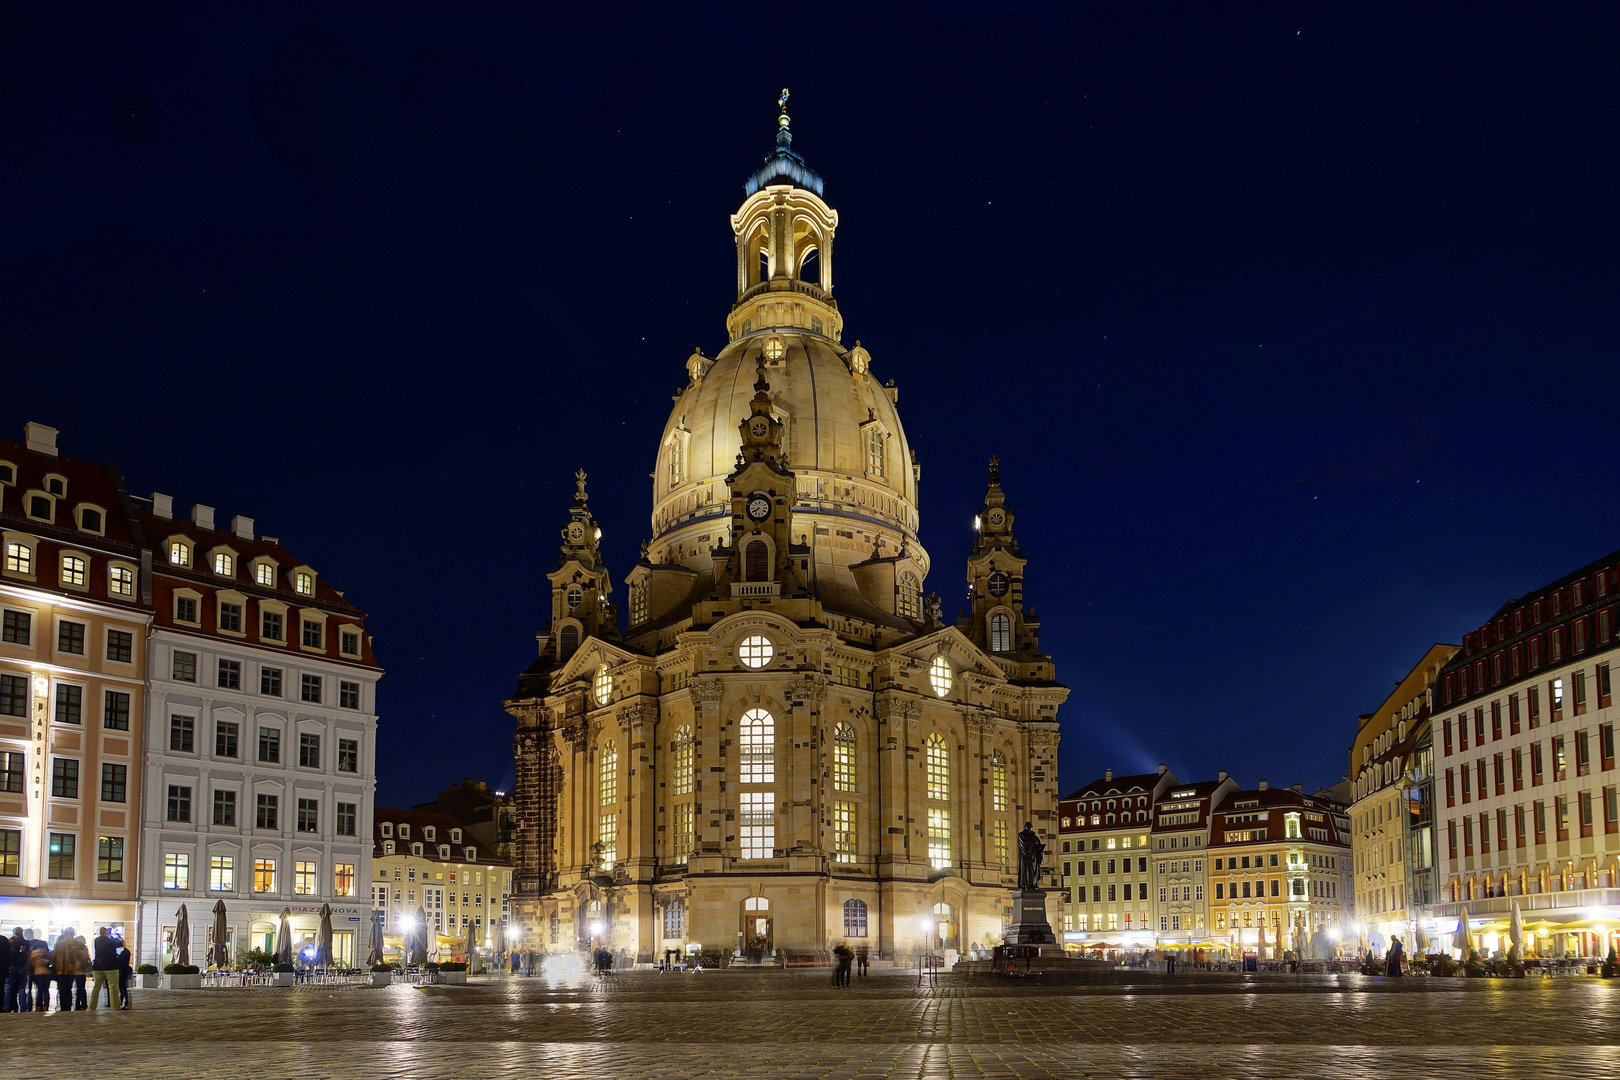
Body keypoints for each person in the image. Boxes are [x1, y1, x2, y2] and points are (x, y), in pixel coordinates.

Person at [90, 927, 124, 1010]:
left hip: (98, 966)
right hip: (111, 966)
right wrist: (115, 934)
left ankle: (91, 1007)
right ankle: (115, 1007)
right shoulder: (110, 941)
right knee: (113, 987)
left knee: (96, 987)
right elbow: (121, 942)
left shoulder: (97, 940)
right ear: (106, 932)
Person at [53, 927, 84, 1011]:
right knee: (72, 990)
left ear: (65, 933)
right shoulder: (79, 944)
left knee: (63, 990)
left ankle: (64, 1007)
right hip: (75, 970)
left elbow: (53, 957)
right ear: (73, 933)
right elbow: (83, 957)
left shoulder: (58, 944)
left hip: (62, 970)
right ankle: (69, 1006)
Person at [4, 927, 28, 1012]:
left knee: (8, 987)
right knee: (22, 988)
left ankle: (6, 1007)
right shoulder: (26, 943)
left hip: (12, 967)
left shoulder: (11, 942)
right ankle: (23, 1008)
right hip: (23, 967)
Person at [28, 936, 54, 1012]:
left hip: (37, 973)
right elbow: (51, 962)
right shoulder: (48, 953)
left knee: (39, 990)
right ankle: (46, 1006)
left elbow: (31, 964)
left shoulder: (33, 953)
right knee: (46, 990)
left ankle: (39, 1006)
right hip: (47, 973)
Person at [115, 934, 133, 1008]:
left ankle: (124, 1002)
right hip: (122, 971)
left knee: (122, 987)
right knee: (121, 987)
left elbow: (121, 961)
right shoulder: (125, 951)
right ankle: (122, 1002)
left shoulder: (122, 952)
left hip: (122, 971)